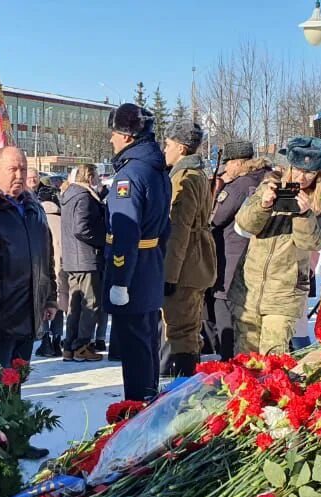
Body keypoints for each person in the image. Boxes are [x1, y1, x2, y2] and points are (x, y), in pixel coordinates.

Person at [230, 137, 321, 355]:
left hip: (284, 294)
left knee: (272, 359)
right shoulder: (268, 186)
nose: (301, 178)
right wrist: (264, 205)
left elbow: (312, 243)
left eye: (309, 173)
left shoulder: (319, 203)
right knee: (244, 359)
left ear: (318, 175)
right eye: (298, 170)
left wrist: (304, 214)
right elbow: (243, 226)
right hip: (249, 288)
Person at [103, 103, 170, 401]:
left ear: (127, 137)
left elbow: (125, 232)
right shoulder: (156, 171)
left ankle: (136, 409)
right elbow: (165, 227)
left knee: (134, 350)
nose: (111, 140)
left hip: (130, 273)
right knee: (147, 345)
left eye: (114, 133)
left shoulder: (129, 176)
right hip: (149, 267)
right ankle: (147, 399)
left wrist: (120, 280)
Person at [0, 146, 58, 376]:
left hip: (31, 313)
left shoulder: (34, 208)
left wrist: (49, 298)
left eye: (23, 169)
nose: (19, 175)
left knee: (16, 385)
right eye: (12, 169)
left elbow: (47, 257)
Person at [161, 120, 216, 377]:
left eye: (168, 144)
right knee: (190, 328)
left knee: (180, 330)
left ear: (181, 148)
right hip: (197, 262)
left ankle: (181, 387)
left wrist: (169, 275)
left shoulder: (184, 178)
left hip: (185, 266)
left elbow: (178, 230)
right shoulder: (199, 175)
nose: (165, 149)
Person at [209, 142, 266, 359]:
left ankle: (228, 360)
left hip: (232, 255)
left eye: (229, 163)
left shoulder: (241, 185)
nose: (226, 169)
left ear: (240, 163)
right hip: (257, 255)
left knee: (223, 304)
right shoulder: (267, 179)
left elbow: (217, 217)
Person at [61, 164, 107, 362]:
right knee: (91, 303)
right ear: (89, 177)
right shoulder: (84, 197)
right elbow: (82, 228)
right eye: (96, 176)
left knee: (76, 305)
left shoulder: (68, 196)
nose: (98, 179)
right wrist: (102, 240)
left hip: (72, 258)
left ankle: (70, 346)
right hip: (87, 258)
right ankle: (82, 345)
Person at [29, 167, 66, 358]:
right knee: (57, 303)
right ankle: (57, 338)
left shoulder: (37, 220)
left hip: (43, 267)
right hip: (60, 266)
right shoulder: (61, 219)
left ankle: (44, 339)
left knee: (43, 302)